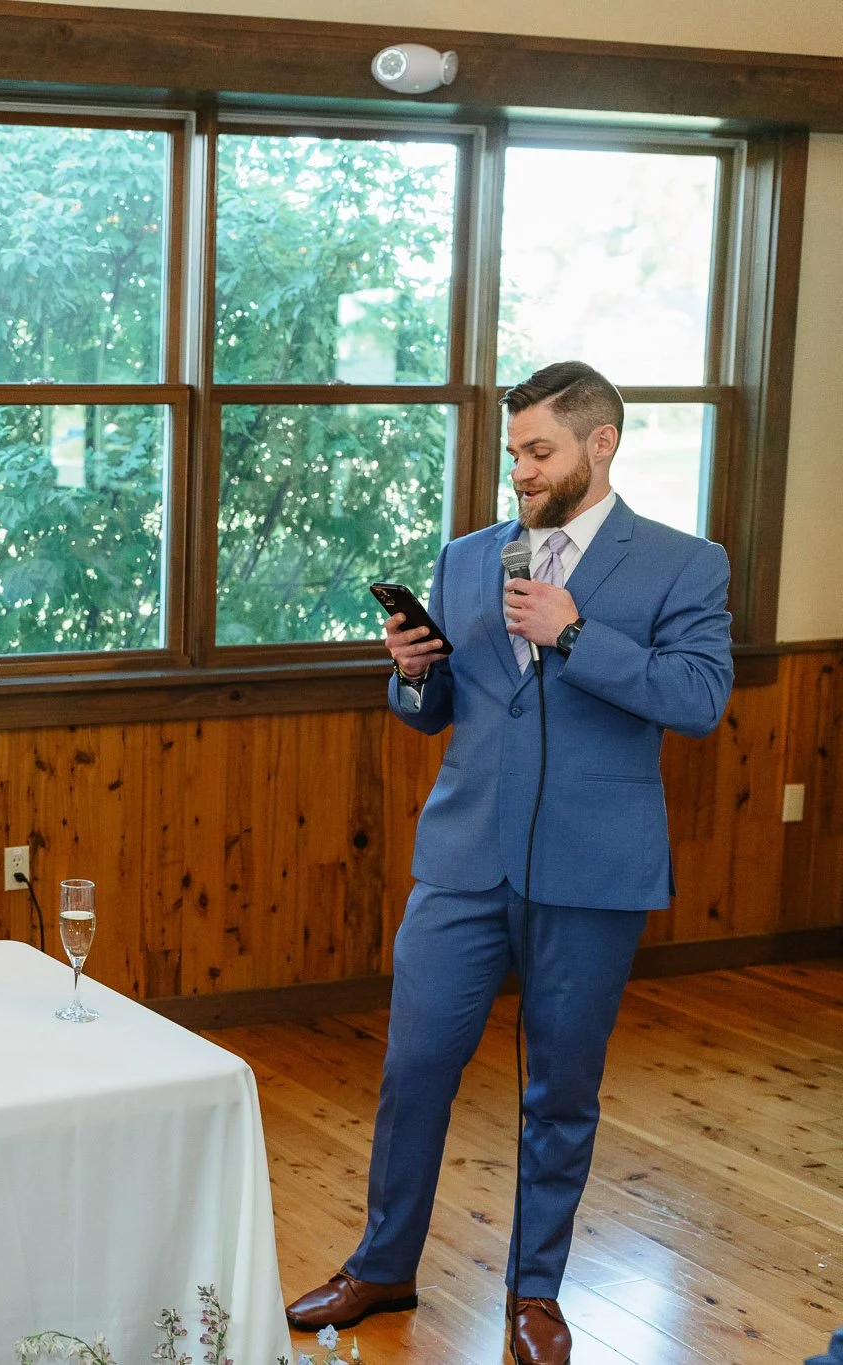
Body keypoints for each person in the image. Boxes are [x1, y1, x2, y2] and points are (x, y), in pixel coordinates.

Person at [283, 362, 732, 1365]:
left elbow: (699, 699)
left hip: (592, 870)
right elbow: (443, 708)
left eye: (538, 452)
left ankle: (534, 1295)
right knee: (412, 1071)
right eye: (513, 453)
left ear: (598, 445)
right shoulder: (464, 556)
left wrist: (578, 636)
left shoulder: (682, 564)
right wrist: (408, 678)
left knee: (558, 1092)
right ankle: (381, 1266)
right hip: (462, 859)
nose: (520, 472)